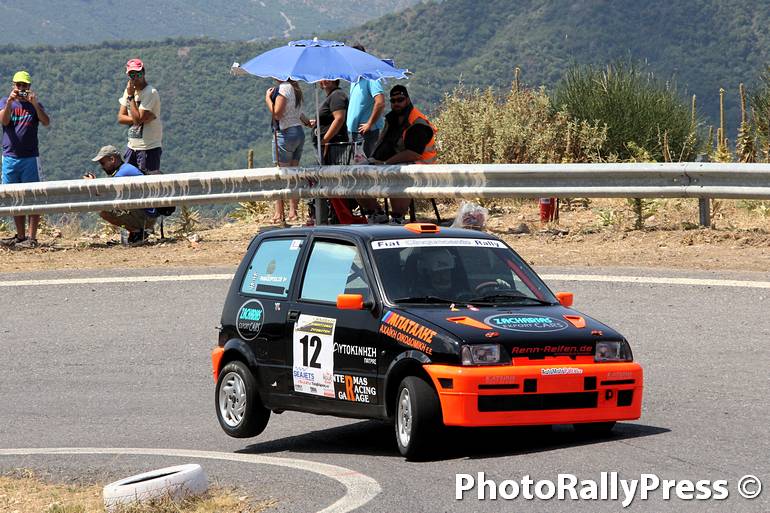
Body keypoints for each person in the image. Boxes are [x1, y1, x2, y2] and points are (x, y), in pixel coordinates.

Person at [369, 85, 437, 224]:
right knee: (358, 171)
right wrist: (373, 160)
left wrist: (386, 163)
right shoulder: (392, 119)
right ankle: (376, 213)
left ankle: (398, 217)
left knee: (398, 172)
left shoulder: (417, 122)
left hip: (421, 164)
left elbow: (413, 154)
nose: (396, 103)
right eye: (393, 101)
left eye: (400, 100)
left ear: (407, 100)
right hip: (394, 161)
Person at [0, 71, 50, 249]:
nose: (21, 88)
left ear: (29, 87)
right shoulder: (6, 102)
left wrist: (34, 104)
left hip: (30, 158)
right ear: (13, 85)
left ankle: (32, 236)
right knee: (14, 197)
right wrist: (9, 102)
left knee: (32, 196)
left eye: (24, 85)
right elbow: (4, 121)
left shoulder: (34, 105)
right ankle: (20, 236)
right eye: (18, 85)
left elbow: (46, 121)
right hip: (10, 158)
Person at [84, 145, 157, 244]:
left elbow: (108, 197)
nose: (102, 167)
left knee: (104, 211)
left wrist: (92, 185)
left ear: (112, 159)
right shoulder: (125, 169)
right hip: (148, 213)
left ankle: (138, 232)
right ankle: (138, 232)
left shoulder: (122, 174)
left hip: (145, 216)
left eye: (103, 163)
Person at [265, 79, 307, 224]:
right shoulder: (296, 89)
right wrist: (307, 122)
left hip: (285, 133)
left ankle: (278, 213)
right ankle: (293, 212)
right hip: (299, 132)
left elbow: (277, 114)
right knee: (294, 174)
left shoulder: (283, 88)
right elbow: (299, 113)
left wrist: (267, 99)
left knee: (281, 174)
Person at [117, 58, 162, 174]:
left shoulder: (150, 92)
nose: (136, 78)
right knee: (129, 182)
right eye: (132, 75)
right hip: (132, 147)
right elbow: (121, 118)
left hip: (148, 148)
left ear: (144, 73)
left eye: (138, 74)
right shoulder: (128, 91)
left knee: (148, 182)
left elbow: (136, 120)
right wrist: (140, 118)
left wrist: (131, 97)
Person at [347, 44, 385, 158]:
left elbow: (380, 102)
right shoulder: (354, 79)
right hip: (355, 132)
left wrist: (369, 124)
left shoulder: (372, 77)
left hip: (368, 132)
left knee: (370, 163)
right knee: (359, 164)